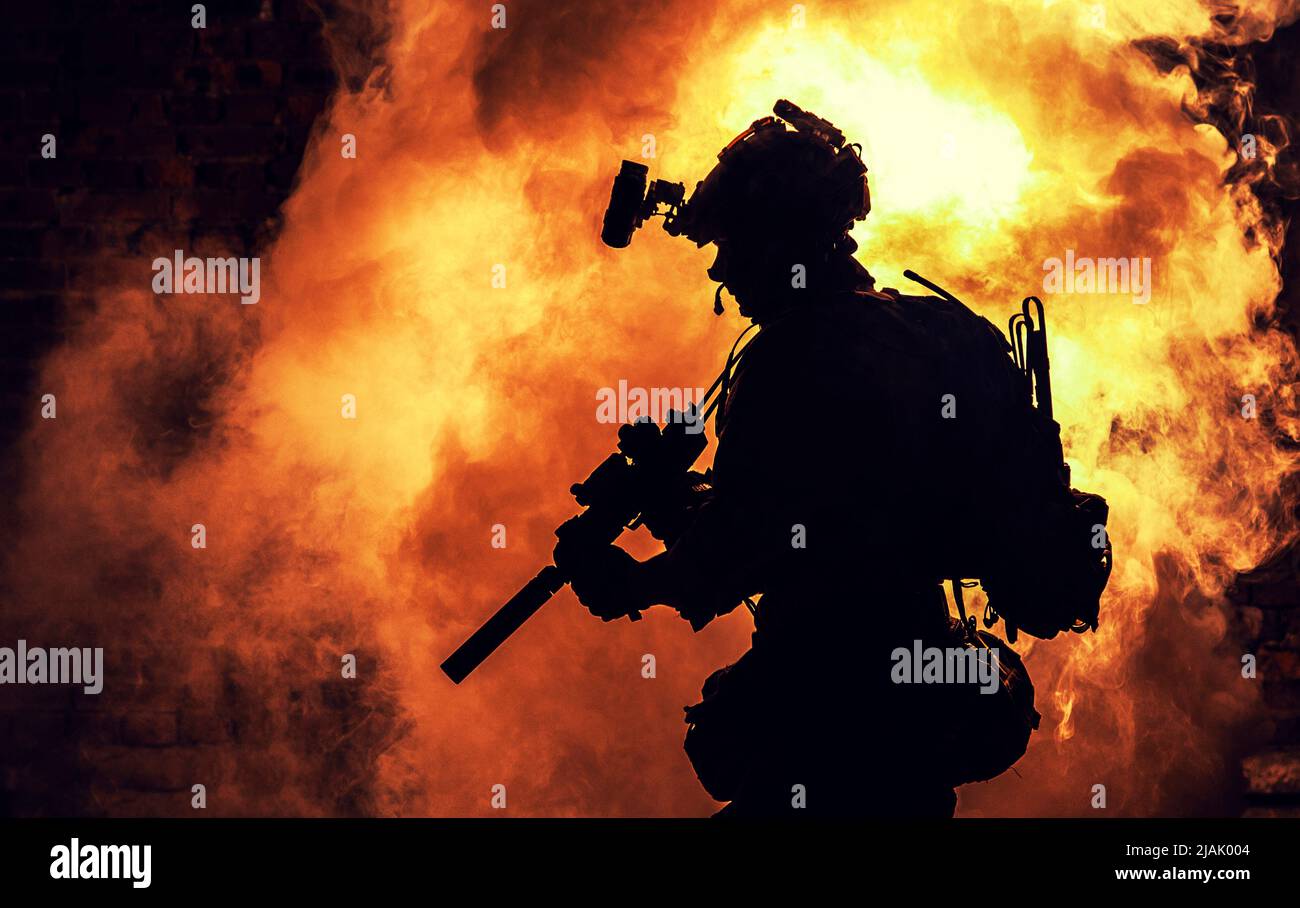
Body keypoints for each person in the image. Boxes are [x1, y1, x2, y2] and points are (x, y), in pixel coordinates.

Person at [556, 102, 1069, 816]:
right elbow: (815, 514)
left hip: (836, 706)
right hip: (930, 688)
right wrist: (681, 506)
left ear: (777, 244)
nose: (722, 273)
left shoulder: (792, 357)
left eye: (730, 246)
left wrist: (630, 585)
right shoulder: (940, 329)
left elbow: (738, 550)